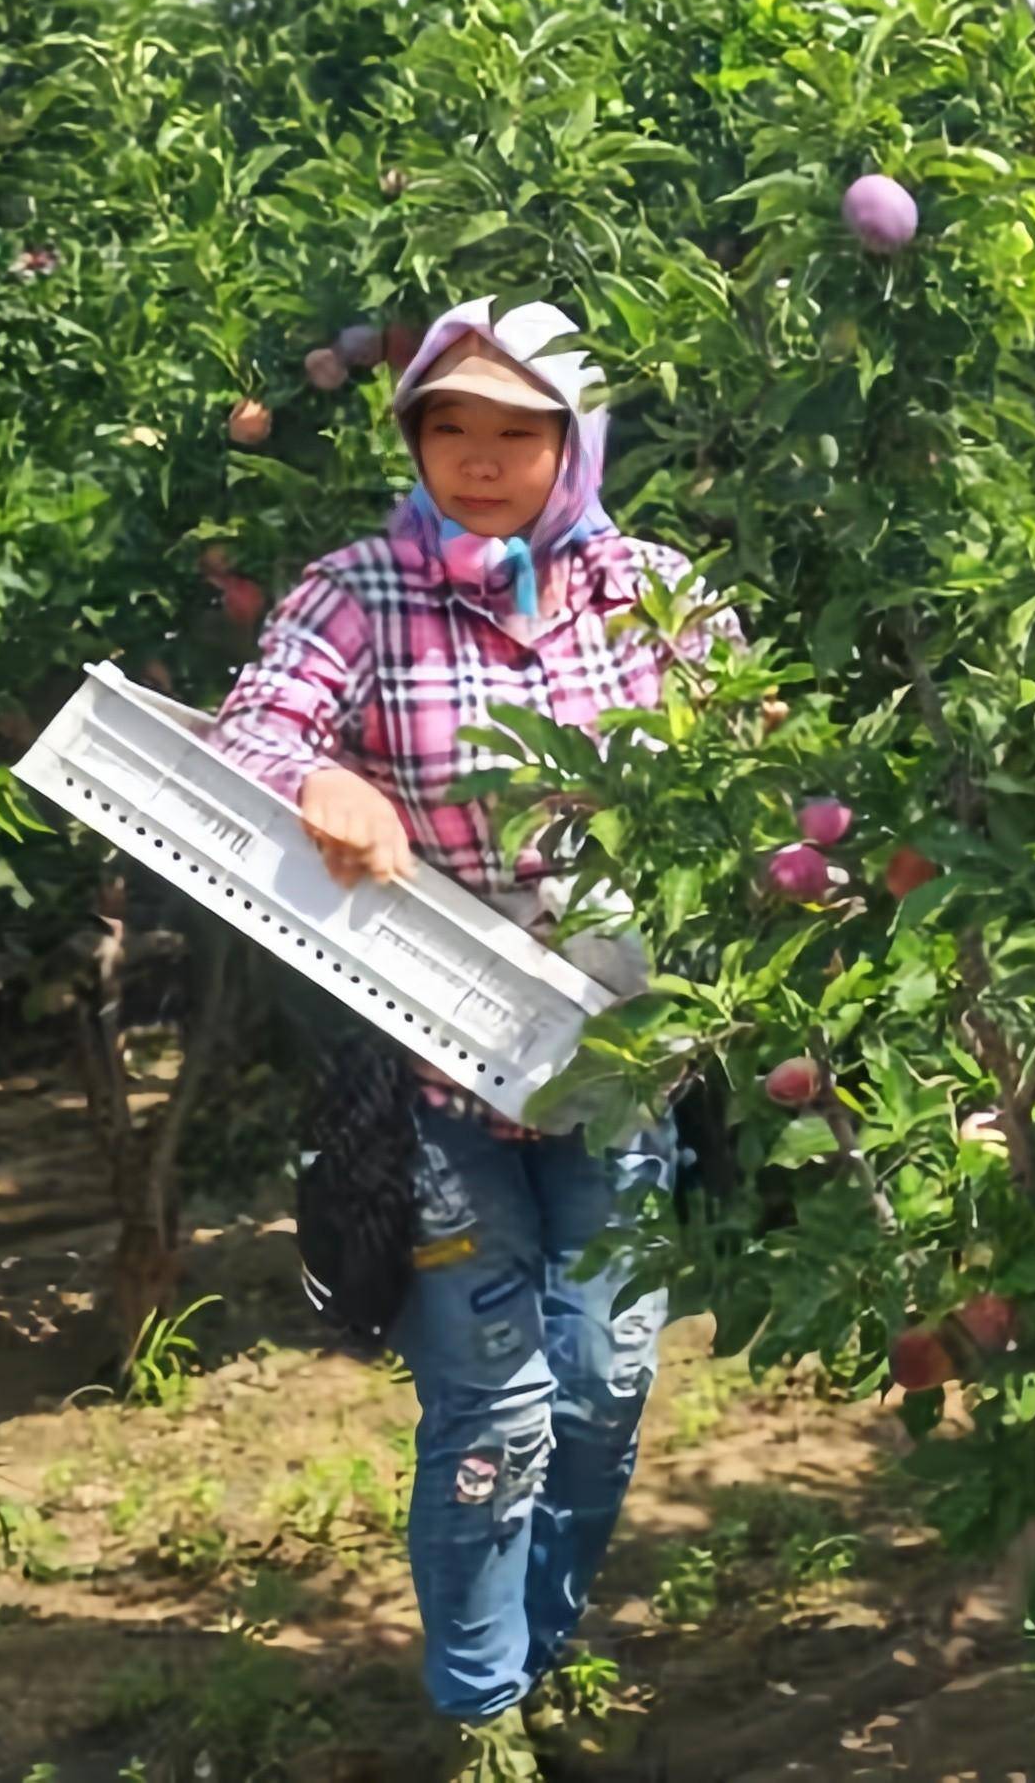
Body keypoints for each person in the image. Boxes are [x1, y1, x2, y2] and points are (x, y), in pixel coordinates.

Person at [213, 298, 736, 1779]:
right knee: (494, 1397)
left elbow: (762, 788)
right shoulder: (361, 590)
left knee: (606, 1382)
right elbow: (251, 732)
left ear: (575, 445)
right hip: (437, 1071)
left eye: (518, 431)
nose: (482, 458)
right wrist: (323, 782)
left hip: (621, 1066)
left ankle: (543, 1644)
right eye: (451, 426)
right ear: (414, 439)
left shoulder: (659, 597)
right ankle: (483, 1707)